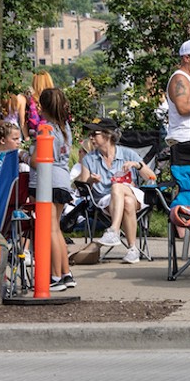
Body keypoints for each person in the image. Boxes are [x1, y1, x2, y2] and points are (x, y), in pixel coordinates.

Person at [78, 118, 157, 264]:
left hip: (132, 193)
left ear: (107, 135)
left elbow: (152, 176)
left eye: (95, 134)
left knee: (117, 186)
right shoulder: (89, 158)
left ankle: (114, 230)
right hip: (106, 201)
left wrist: (137, 165)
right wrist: (91, 180)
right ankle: (133, 250)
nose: (91, 137)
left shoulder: (128, 153)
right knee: (126, 202)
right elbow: (82, 183)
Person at [33, 88, 75, 291]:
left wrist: (24, 155)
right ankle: (66, 272)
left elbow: (37, 160)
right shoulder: (65, 127)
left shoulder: (46, 129)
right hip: (63, 180)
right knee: (56, 229)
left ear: (44, 107)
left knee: (49, 230)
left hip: (48, 182)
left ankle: (55, 276)